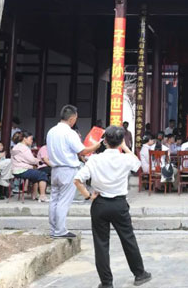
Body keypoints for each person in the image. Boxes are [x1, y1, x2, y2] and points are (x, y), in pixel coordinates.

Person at [74, 126, 152, 288]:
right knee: (128, 238)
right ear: (121, 141)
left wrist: (88, 195)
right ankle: (139, 274)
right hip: (119, 204)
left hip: (100, 203)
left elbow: (77, 180)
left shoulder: (95, 159)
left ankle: (106, 282)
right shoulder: (125, 159)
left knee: (101, 244)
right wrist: (125, 147)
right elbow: (137, 164)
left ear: (105, 141)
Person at [47, 104, 101, 239]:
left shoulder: (51, 131)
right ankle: (60, 230)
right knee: (63, 201)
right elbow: (82, 151)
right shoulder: (70, 133)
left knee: (54, 200)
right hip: (68, 169)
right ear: (72, 119)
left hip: (55, 169)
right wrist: (97, 145)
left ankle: (54, 229)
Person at [11, 131, 49, 202]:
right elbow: (31, 160)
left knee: (36, 174)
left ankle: (35, 195)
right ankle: (42, 196)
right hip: (22, 170)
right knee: (42, 174)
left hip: (16, 170)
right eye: (31, 139)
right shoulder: (24, 148)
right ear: (24, 139)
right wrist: (38, 161)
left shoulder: (16, 146)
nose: (32, 141)